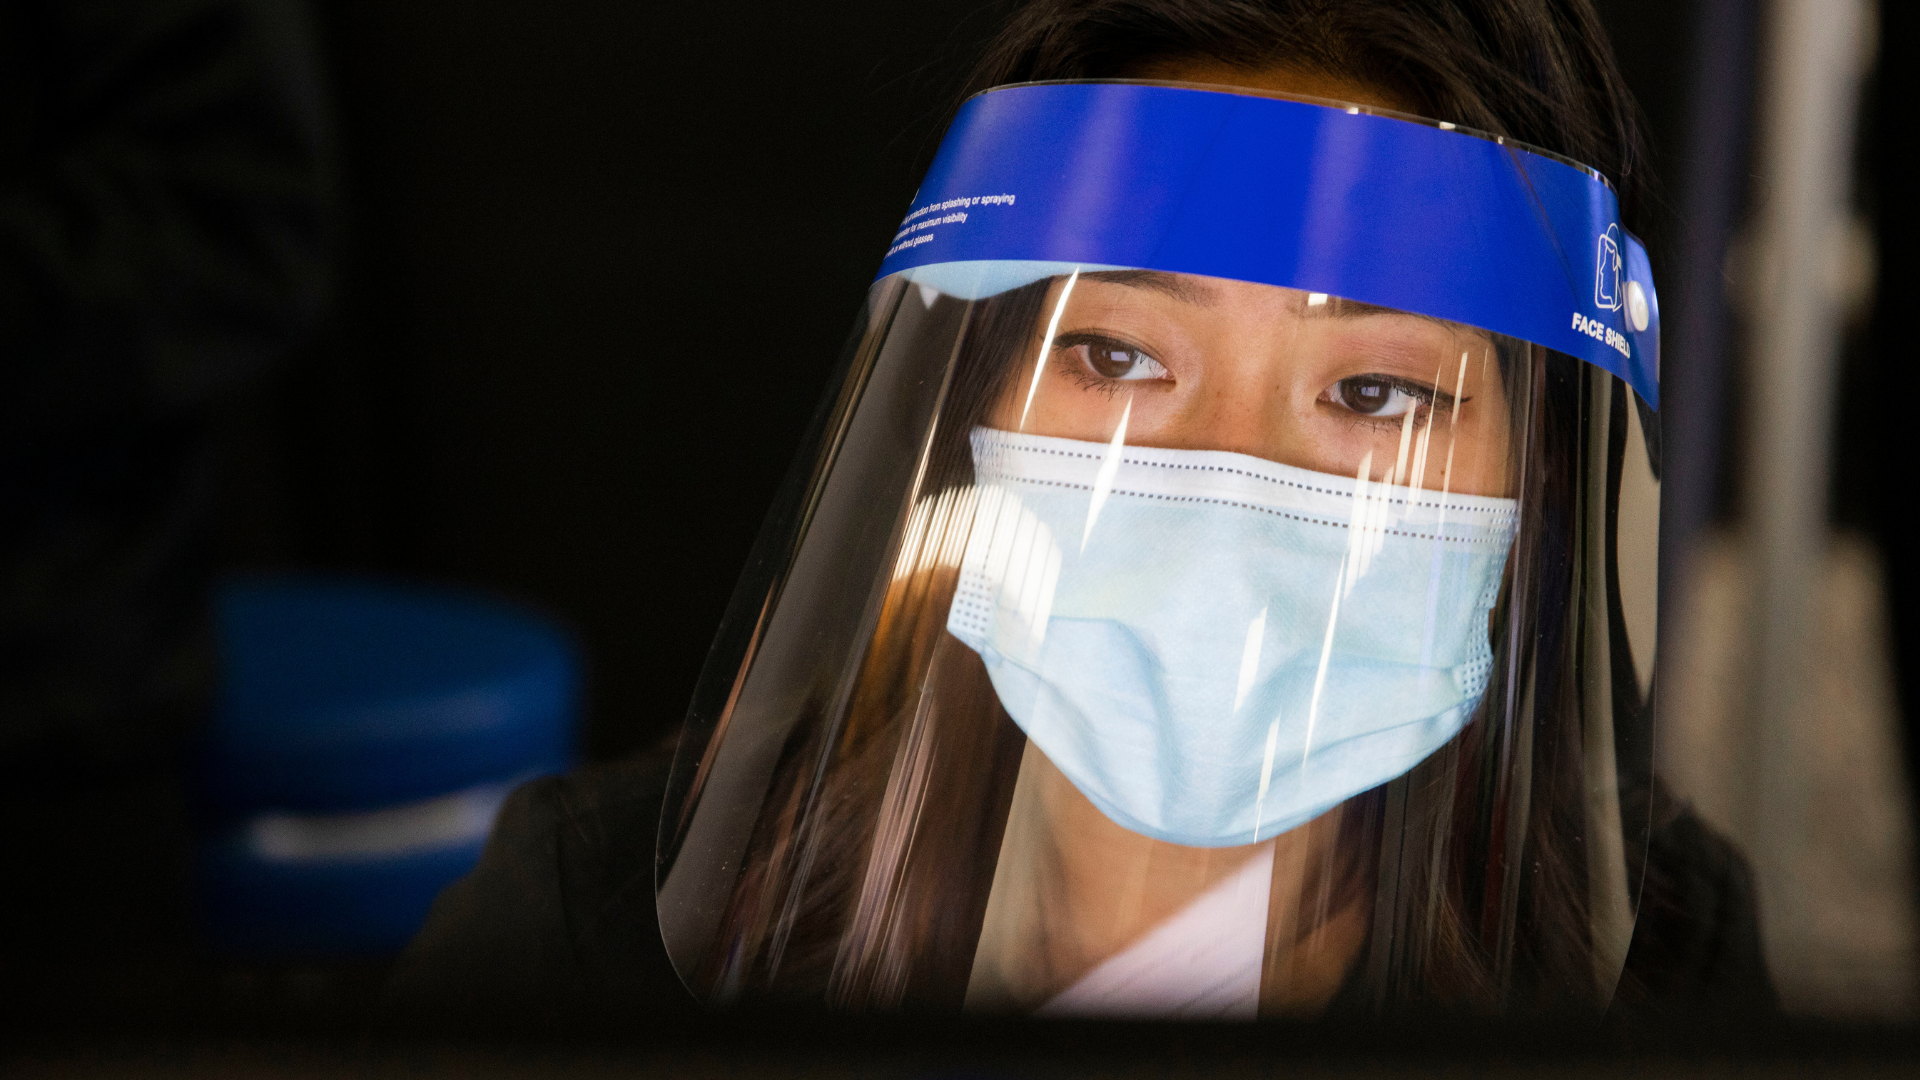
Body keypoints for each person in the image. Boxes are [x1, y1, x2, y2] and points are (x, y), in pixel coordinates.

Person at [387, 0, 1774, 1029]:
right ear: (977, 402)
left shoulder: (1665, 966)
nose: (1234, 486)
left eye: (1375, 391)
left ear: (1533, 477)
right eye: (1116, 356)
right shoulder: (590, 936)